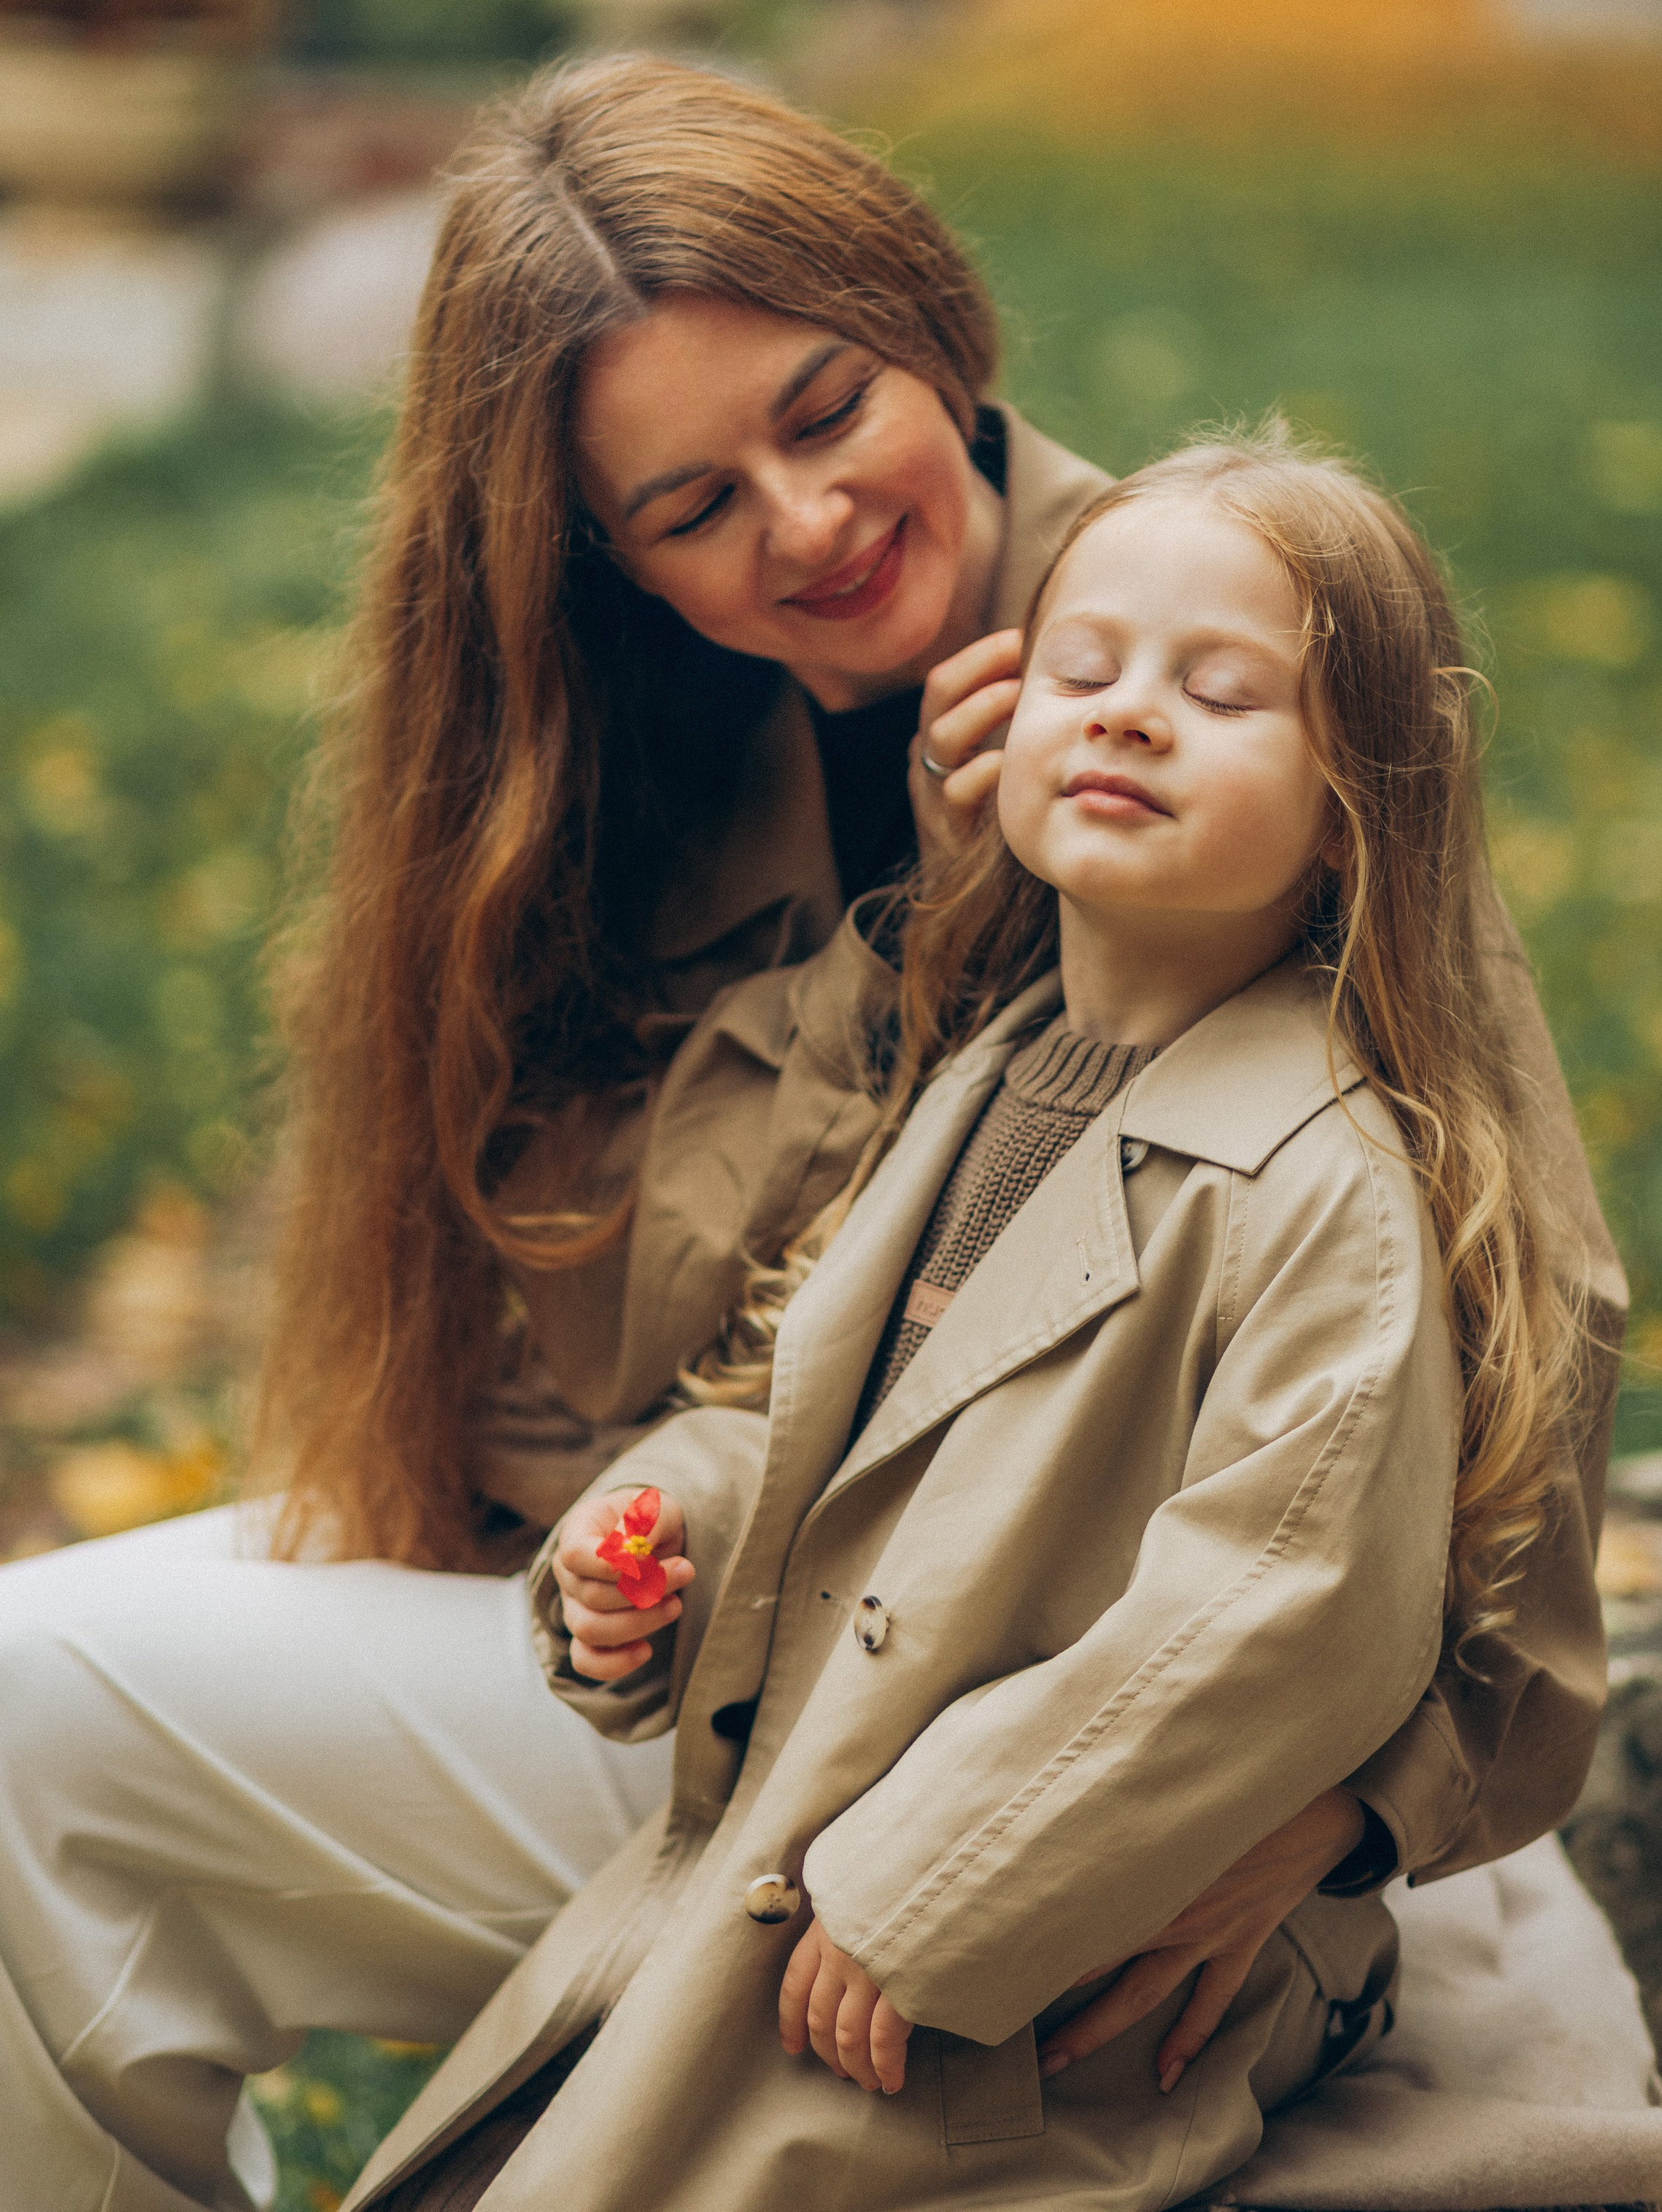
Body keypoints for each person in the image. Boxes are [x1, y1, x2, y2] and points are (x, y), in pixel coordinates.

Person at [0, 60, 1619, 2212]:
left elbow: (1511, 1342)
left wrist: (1328, 1814)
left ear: (930, 324)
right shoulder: (612, 736)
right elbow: (677, 1353)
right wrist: (633, 1535)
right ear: (602, 558)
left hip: (998, 1749)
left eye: (828, 407)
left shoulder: (1212, 684)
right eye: (692, 508)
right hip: (702, 1642)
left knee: (31, 1721)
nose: (806, 525)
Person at [349, 435, 1596, 2212]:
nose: (1129, 714)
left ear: (1354, 803)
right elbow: (848, 1415)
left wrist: (934, 1889)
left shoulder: (1320, 1184)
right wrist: (663, 1527)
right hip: (812, 1878)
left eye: (1218, 693)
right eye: (1080, 670)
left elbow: (1270, 1612)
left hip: (1014, 2002)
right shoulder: (996, 1064)